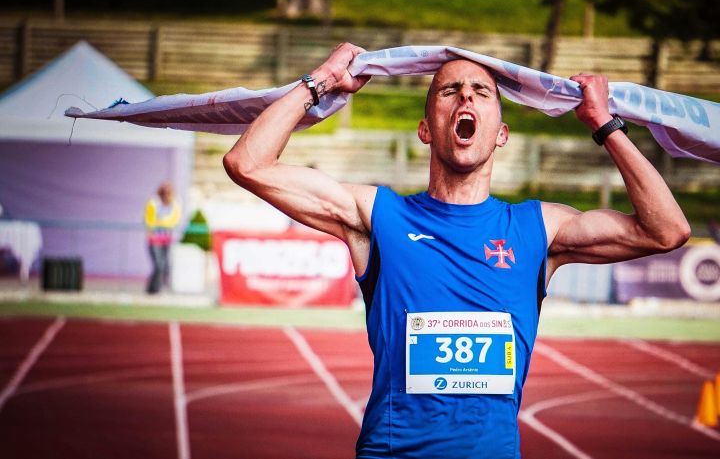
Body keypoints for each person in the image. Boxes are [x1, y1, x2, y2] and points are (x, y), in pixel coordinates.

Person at [222, 43, 690, 458]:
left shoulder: (538, 228)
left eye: (481, 92)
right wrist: (321, 80)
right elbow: (248, 163)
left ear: (501, 134)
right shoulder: (378, 217)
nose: (466, 96)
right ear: (426, 130)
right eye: (449, 91)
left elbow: (666, 230)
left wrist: (605, 125)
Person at [144, 181, 181, 294]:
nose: (167, 195)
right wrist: (159, 224)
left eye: (169, 193)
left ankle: (157, 288)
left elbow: (174, 220)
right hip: (154, 239)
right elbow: (149, 220)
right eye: (164, 193)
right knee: (158, 265)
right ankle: (153, 289)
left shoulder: (175, 203)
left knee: (165, 265)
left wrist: (161, 222)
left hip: (167, 239)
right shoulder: (154, 203)